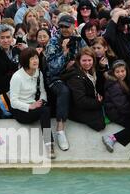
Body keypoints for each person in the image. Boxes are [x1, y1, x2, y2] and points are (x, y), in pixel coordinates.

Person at [9, 47, 55, 159]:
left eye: (36, 57)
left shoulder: (38, 73)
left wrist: (42, 101)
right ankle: (49, 145)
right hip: (21, 111)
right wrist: (30, 106)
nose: (35, 61)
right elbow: (13, 102)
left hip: (35, 106)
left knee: (50, 107)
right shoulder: (17, 77)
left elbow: (43, 91)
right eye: (31, 59)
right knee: (45, 111)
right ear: (25, 61)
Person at [45, 14, 79, 151]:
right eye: (61, 26)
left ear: (73, 26)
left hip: (74, 75)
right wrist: (64, 53)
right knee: (64, 91)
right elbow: (53, 69)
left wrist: (76, 63)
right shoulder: (53, 42)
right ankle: (60, 130)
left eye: (67, 26)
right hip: (55, 78)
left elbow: (88, 57)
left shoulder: (78, 40)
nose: (64, 29)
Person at [101, 60, 130, 152]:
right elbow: (122, 105)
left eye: (123, 71)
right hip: (115, 112)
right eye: (117, 72)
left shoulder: (123, 81)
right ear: (113, 72)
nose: (121, 74)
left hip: (119, 109)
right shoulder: (114, 85)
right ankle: (111, 138)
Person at [63, 47, 106, 132]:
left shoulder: (92, 70)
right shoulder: (75, 77)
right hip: (76, 107)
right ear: (79, 60)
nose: (87, 63)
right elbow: (80, 101)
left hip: (90, 98)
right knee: (100, 124)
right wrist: (98, 103)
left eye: (89, 60)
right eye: (84, 60)